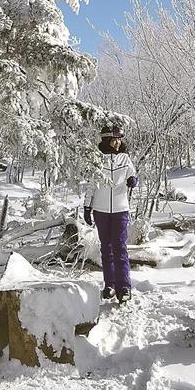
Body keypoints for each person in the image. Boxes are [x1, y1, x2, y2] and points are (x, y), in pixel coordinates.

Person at [83, 123, 137, 303]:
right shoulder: (97, 160)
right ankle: (110, 285)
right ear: (107, 140)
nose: (118, 143)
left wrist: (132, 180)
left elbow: (133, 175)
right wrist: (87, 207)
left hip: (121, 210)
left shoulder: (125, 159)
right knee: (106, 249)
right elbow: (91, 185)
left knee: (120, 248)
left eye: (119, 140)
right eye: (115, 140)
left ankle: (125, 287)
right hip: (101, 210)